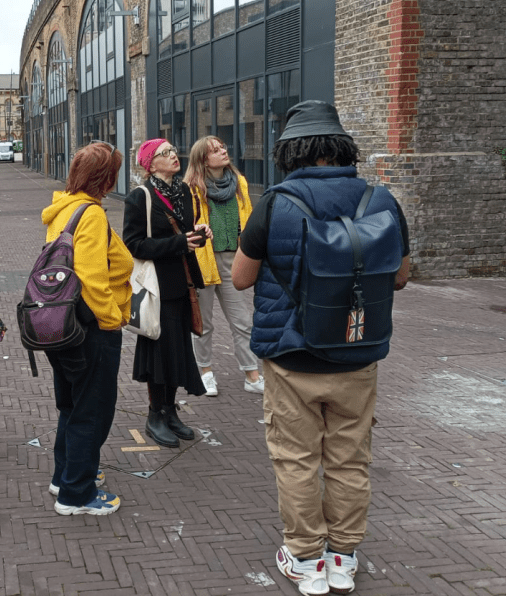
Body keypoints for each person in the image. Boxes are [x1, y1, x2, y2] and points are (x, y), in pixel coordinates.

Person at [231, 101, 411, 596]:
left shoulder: (275, 203)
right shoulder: (381, 200)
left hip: (291, 357)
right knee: (351, 459)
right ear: (342, 147)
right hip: (358, 351)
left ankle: (305, 560)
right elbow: (399, 276)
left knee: (295, 459)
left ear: (290, 151)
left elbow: (240, 279)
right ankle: (343, 557)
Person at [40, 141, 133, 515]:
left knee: (71, 406)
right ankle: (77, 495)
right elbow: (93, 279)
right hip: (89, 329)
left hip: (59, 325)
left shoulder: (62, 210)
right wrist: (113, 320)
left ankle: (65, 475)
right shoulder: (91, 215)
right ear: (105, 179)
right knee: (91, 410)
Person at [122, 139, 210, 448]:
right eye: (165, 153)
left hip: (182, 284)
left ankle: (171, 412)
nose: (174, 155)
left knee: (176, 351)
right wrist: (178, 244)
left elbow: (182, 230)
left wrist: (199, 230)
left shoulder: (183, 192)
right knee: (159, 354)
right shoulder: (139, 198)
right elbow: (133, 245)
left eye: (174, 150)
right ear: (150, 164)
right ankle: (154, 415)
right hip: (156, 287)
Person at [184, 136, 263, 397]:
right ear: (203, 160)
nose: (223, 151)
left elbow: (248, 218)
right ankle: (205, 372)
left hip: (233, 259)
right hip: (203, 261)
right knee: (203, 324)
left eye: (223, 147)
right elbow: (186, 225)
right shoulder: (192, 187)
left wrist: (249, 251)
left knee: (242, 320)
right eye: (215, 150)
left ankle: (252, 375)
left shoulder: (239, 182)